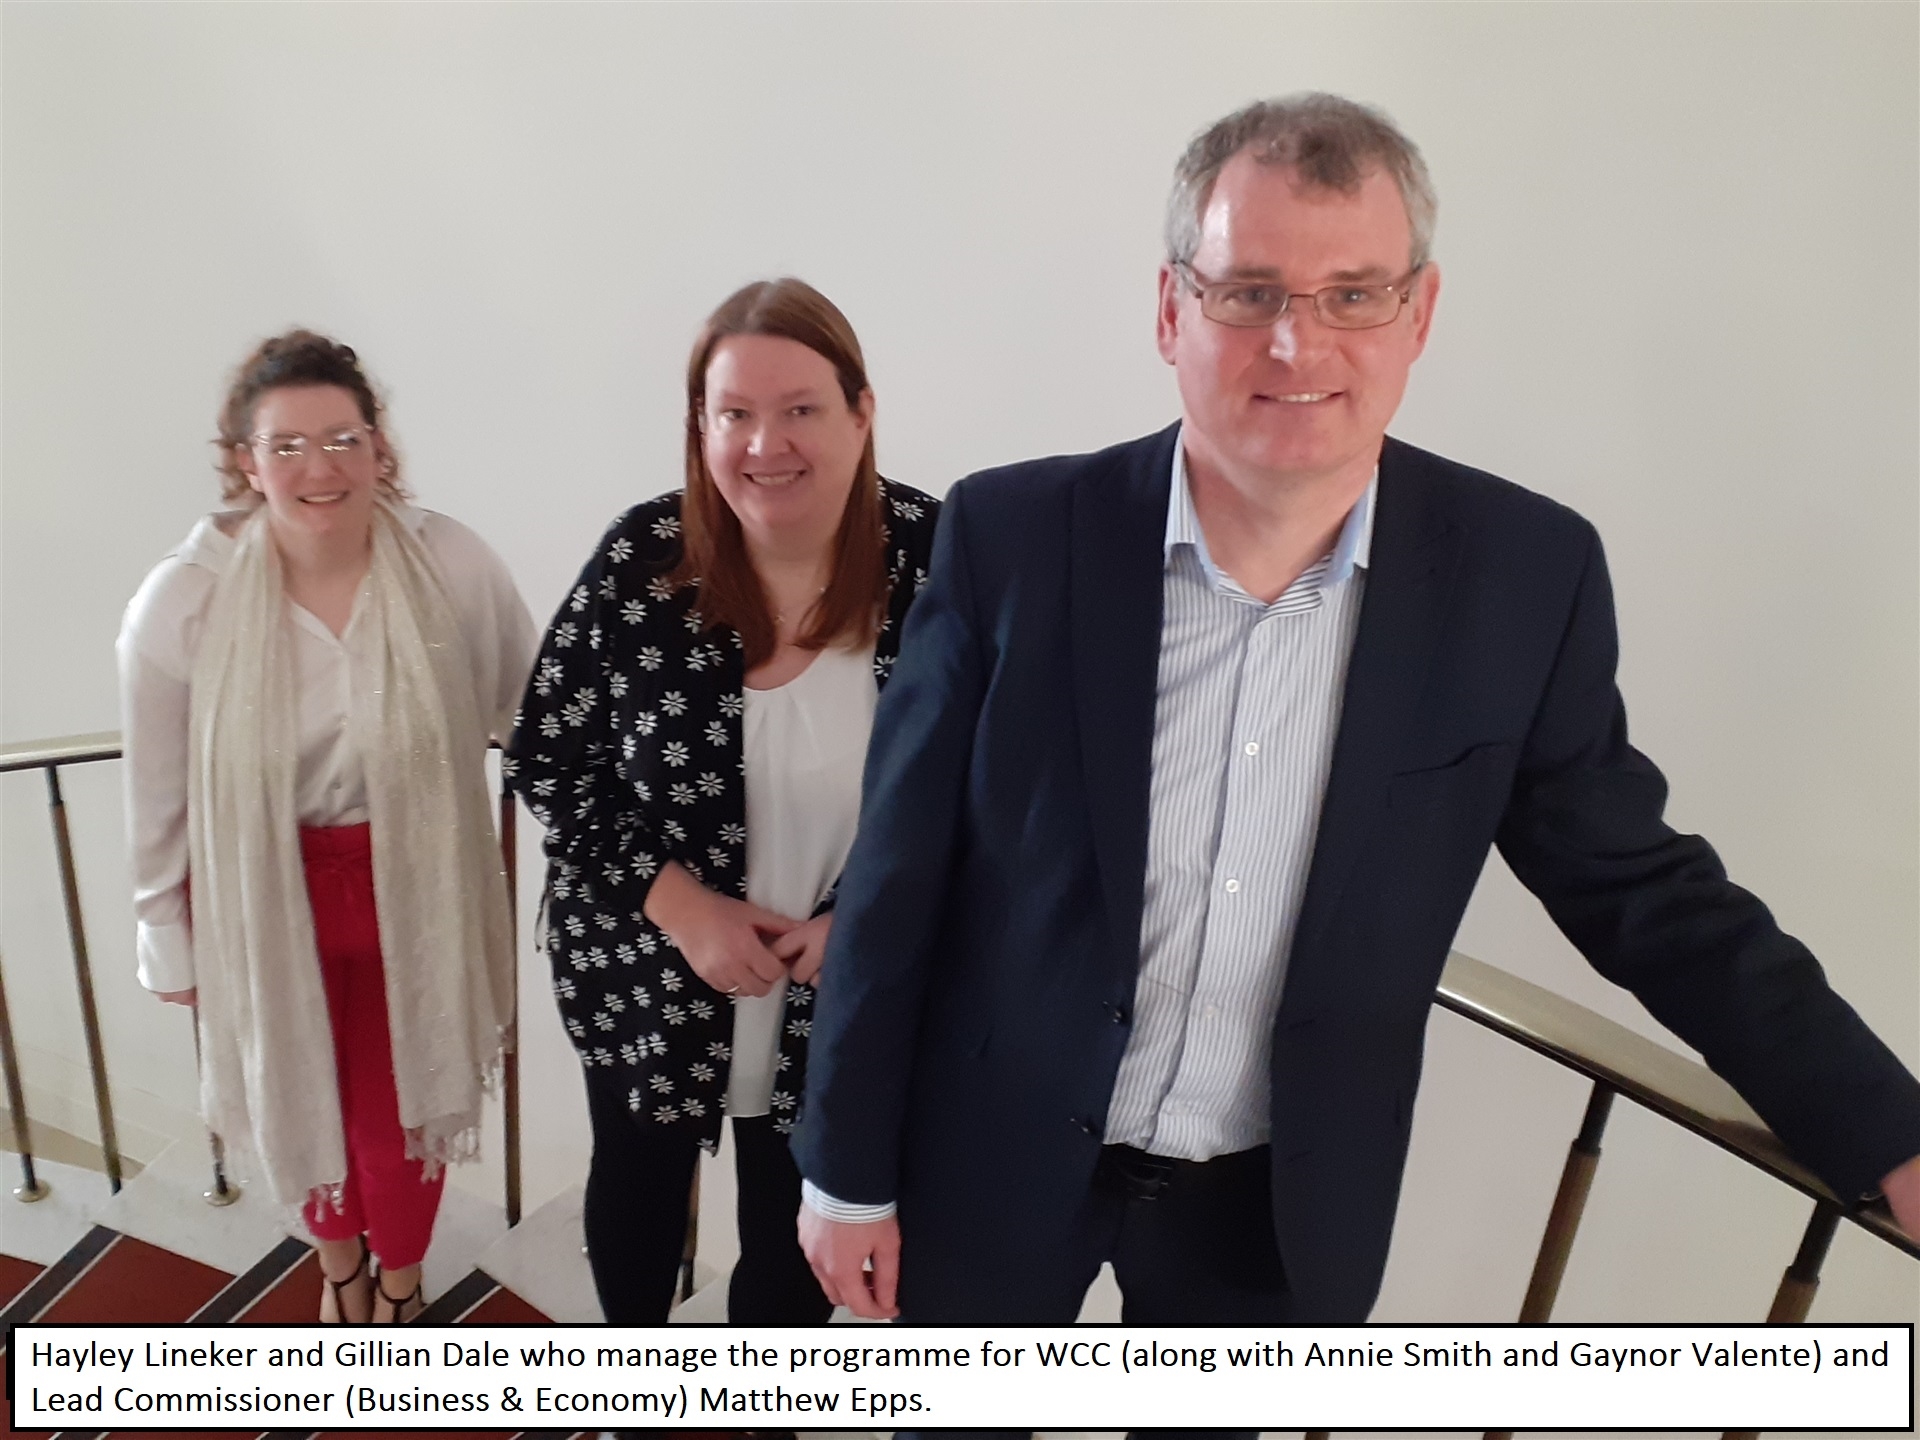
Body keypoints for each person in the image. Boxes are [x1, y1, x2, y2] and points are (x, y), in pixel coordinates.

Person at [794, 90, 1920, 1367]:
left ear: (1418, 314)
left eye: (1353, 295)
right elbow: (896, 876)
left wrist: (1884, 1128)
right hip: (986, 1156)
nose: (1298, 343)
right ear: (1171, 309)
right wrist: (844, 1171)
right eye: (1249, 292)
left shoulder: (1522, 579)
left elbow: (1644, 891)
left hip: (1271, 1206)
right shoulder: (1011, 537)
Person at [506, 278, 940, 1324]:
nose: (764, 444)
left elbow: (996, 790)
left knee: (792, 1240)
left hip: (842, 992)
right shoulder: (642, 558)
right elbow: (548, 753)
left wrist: (870, 924)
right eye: (733, 412)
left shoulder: (939, 559)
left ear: (862, 413)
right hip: (647, 970)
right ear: (699, 425)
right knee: (636, 1195)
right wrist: (683, 908)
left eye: (801, 409)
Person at [118, 330, 536, 1323]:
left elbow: (531, 706)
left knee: (404, 1115)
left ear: (379, 448)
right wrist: (164, 931)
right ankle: (340, 1264)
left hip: (419, 890)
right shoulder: (185, 601)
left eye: (343, 439)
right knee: (301, 1098)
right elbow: (158, 790)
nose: (321, 468)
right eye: (289, 445)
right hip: (268, 899)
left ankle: (400, 1279)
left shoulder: (448, 563)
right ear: (245, 462)